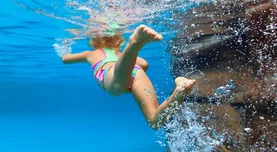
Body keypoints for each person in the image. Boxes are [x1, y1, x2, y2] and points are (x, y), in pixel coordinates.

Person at [60, 25, 196, 129]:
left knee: (117, 88)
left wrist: (64, 46)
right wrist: (128, 64)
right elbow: (144, 64)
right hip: (135, 72)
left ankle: (135, 43)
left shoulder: (91, 54)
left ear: (94, 41)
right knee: (155, 122)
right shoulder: (121, 55)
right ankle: (179, 90)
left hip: (111, 72)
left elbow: (65, 59)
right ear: (119, 42)